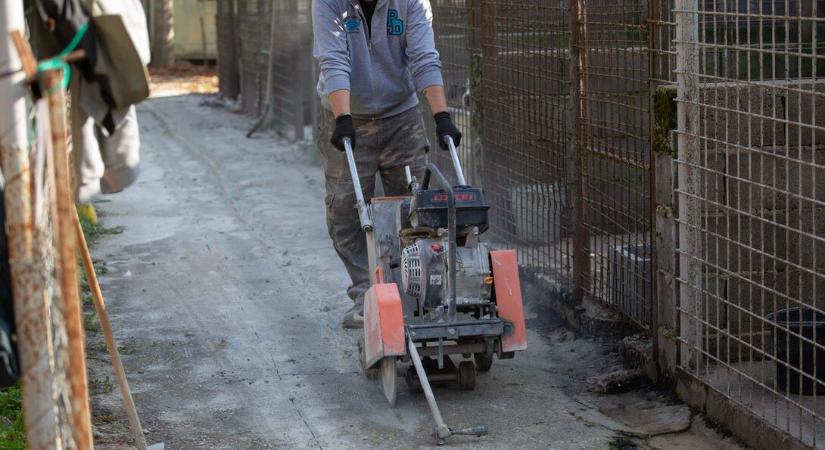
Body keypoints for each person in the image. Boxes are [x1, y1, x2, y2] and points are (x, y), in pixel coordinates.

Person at [312, 0, 462, 328]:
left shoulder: (411, 2)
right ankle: (367, 291)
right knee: (346, 210)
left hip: (401, 115)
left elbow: (424, 57)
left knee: (413, 207)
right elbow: (333, 58)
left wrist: (442, 117)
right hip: (346, 117)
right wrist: (344, 117)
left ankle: (415, 288)